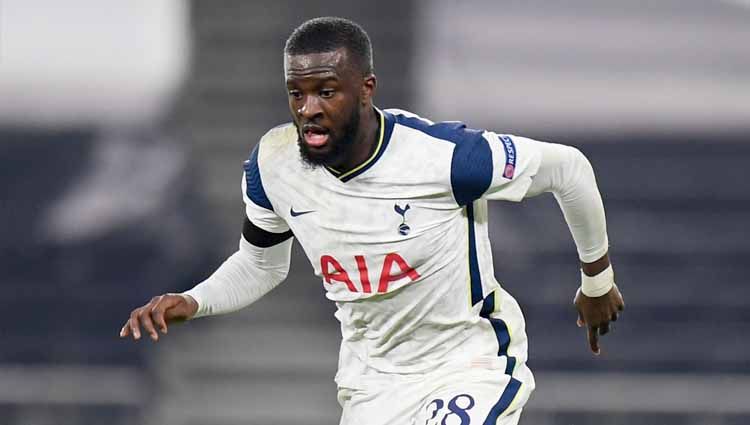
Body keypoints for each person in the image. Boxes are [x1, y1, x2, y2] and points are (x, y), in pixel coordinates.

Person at [120, 17, 625, 425]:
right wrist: (195, 300)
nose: (309, 110)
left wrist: (596, 279)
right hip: (372, 385)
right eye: (297, 94)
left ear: (366, 88)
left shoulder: (447, 158)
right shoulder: (273, 166)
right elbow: (261, 265)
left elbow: (568, 168)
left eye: (326, 92)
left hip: (465, 366)